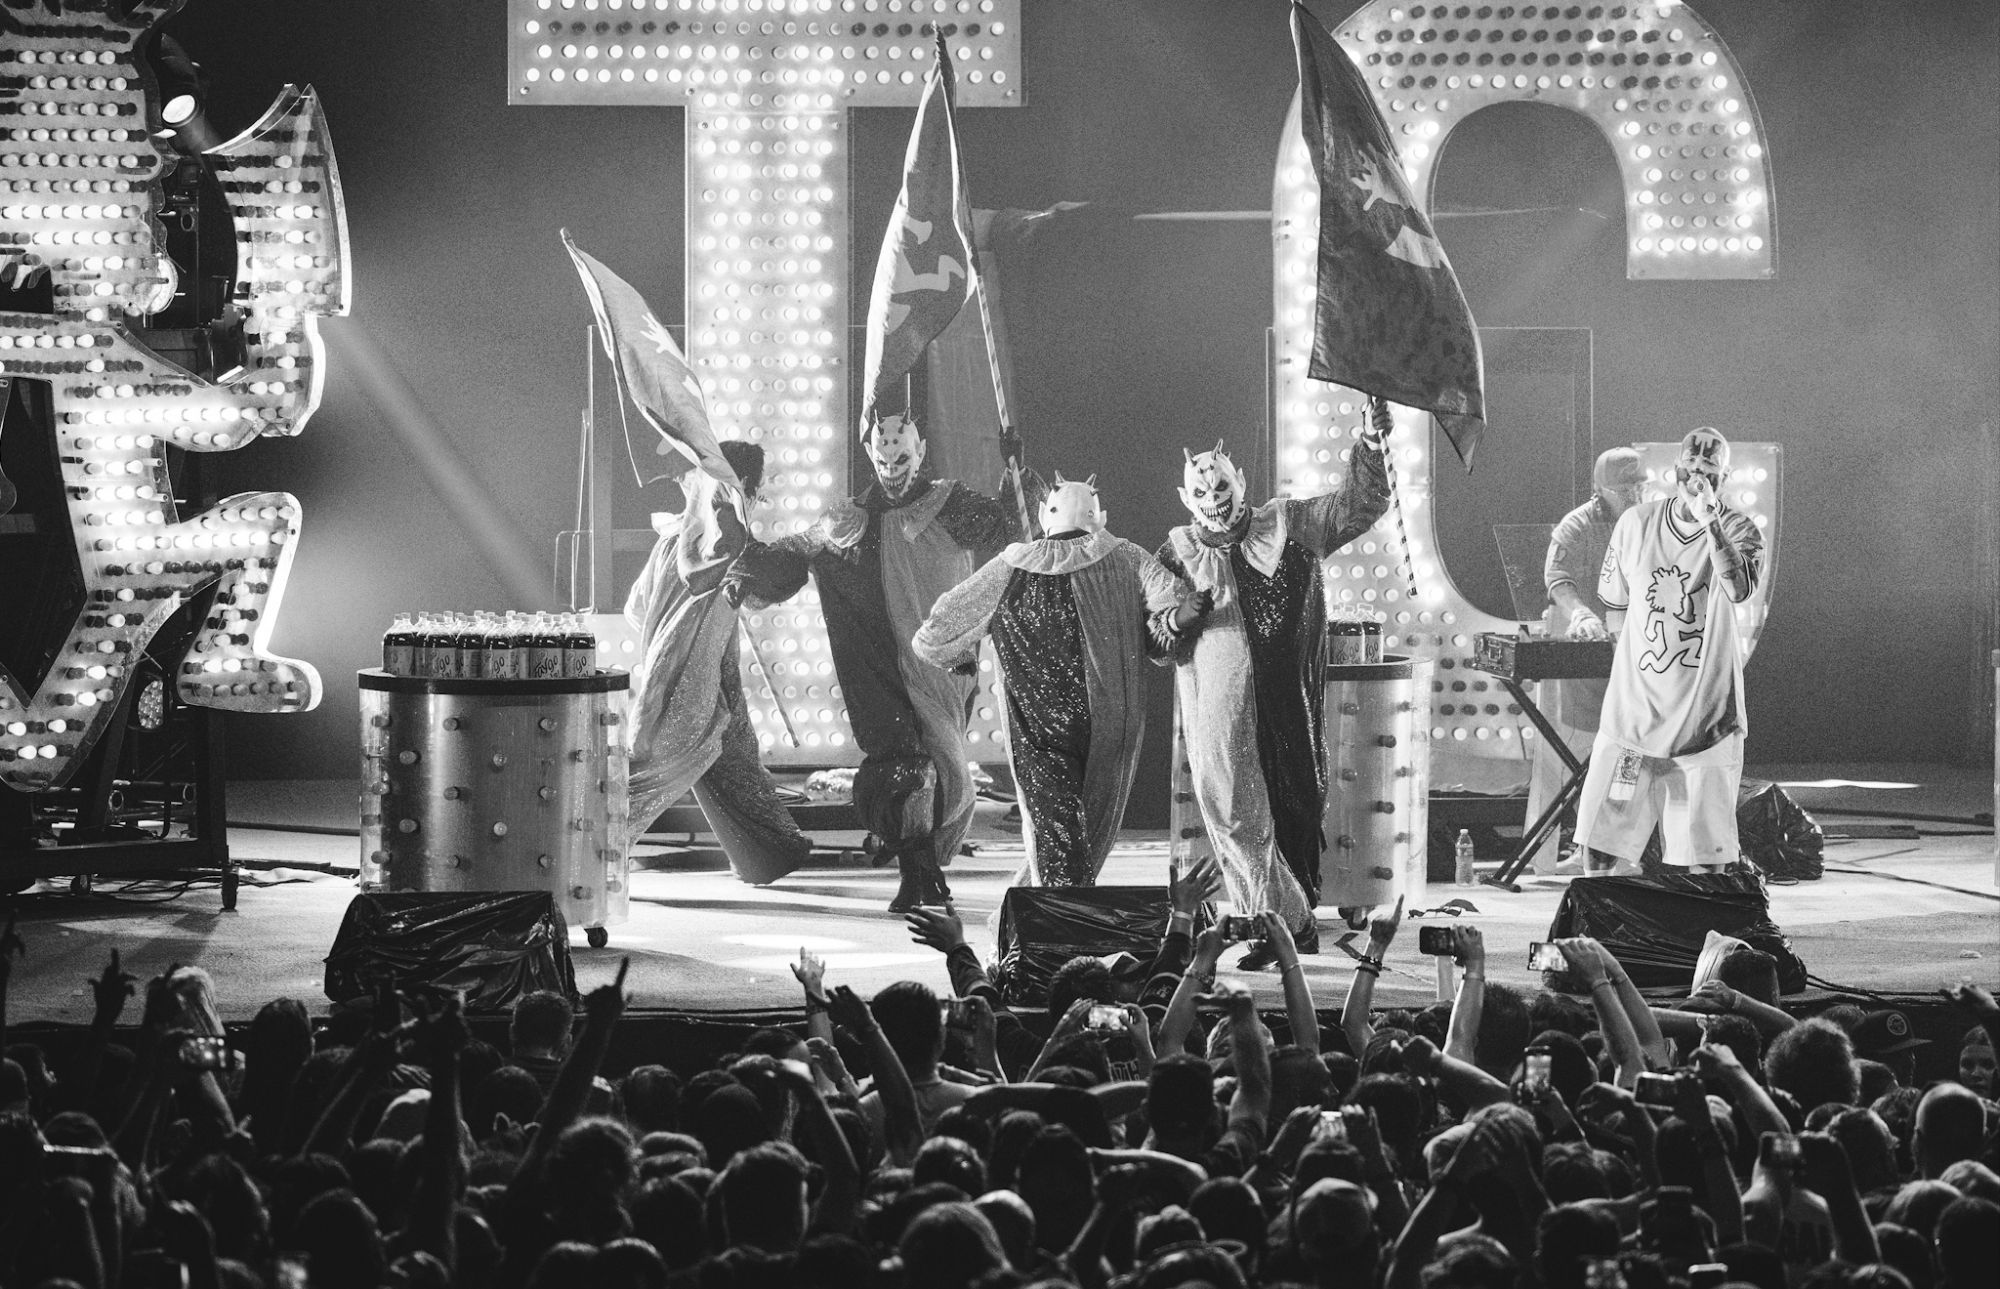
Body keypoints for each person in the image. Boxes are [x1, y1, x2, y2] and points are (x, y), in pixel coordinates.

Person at [727, 411, 1023, 911]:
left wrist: (1015, 477)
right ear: (870, 454)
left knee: (943, 764)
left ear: (921, 451)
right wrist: (748, 572)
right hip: (876, 665)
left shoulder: (951, 505)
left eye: (902, 456)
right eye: (882, 457)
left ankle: (925, 867)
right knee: (901, 764)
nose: (891, 467)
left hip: (941, 664)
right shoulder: (847, 517)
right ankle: (918, 870)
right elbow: (800, 548)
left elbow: (1012, 534)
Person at [1156, 433, 1390, 968]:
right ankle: (1277, 924)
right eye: (1201, 488)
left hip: (1289, 700)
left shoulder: (1291, 524)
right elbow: (1152, 638)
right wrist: (1175, 620)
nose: (1213, 495)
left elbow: (1356, 506)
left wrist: (1371, 446)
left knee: (1296, 808)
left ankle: (1290, 923)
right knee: (1240, 817)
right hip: (1221, 708)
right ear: (1185, 497)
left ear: (1241, 482)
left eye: (1220, 483)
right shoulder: (1176, 552)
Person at [912, 474, 1200, 887]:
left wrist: (960, 659)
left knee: (1055, 835)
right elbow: (1171, 605)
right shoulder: (1126, 557)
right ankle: (1047, 922)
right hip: (1108, 724)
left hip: (1037, 729)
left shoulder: (1011, 566)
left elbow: (936, 632)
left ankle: (1046, 926)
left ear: (1047, 515)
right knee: (1084, 832)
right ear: (1098, 516)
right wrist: (1177, 616)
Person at [1573, 427, 1764, 874]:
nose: (1697, 475)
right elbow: (1616, 609)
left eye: (1709, 469)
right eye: (1691, 466)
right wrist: (1635, 676)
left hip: (1705, 723)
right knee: (1600, 848)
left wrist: (1709, 522)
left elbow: (1739, 590)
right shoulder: (1635, 523)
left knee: (1706, 862)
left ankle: (1696, 941)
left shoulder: (1738, 528)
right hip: (1634, 722)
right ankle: (1600, 936)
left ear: (1725, 476)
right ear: (1676, 469)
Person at [623, 440, 814, 885]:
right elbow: (760, 585)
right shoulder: (726, 534)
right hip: (688, 676)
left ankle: (768, 852)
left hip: (692, 668)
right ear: (745, 485)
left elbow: (636, 608)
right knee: (658, 767)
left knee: (734, 757)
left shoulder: (674, 538)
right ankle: (590, 857)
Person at [1522, 446, 1646, 874]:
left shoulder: (1649, 523)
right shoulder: (1576, 524)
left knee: (1631, 751)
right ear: (1601, 489)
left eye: (1639, 486)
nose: (1633, 495)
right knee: (1578, 749)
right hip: (1582, 644)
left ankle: (1618, 847)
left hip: (1631, 651)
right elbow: (1556, 577)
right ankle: (1562, 851)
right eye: (1624, 488)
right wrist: (1579, 610)